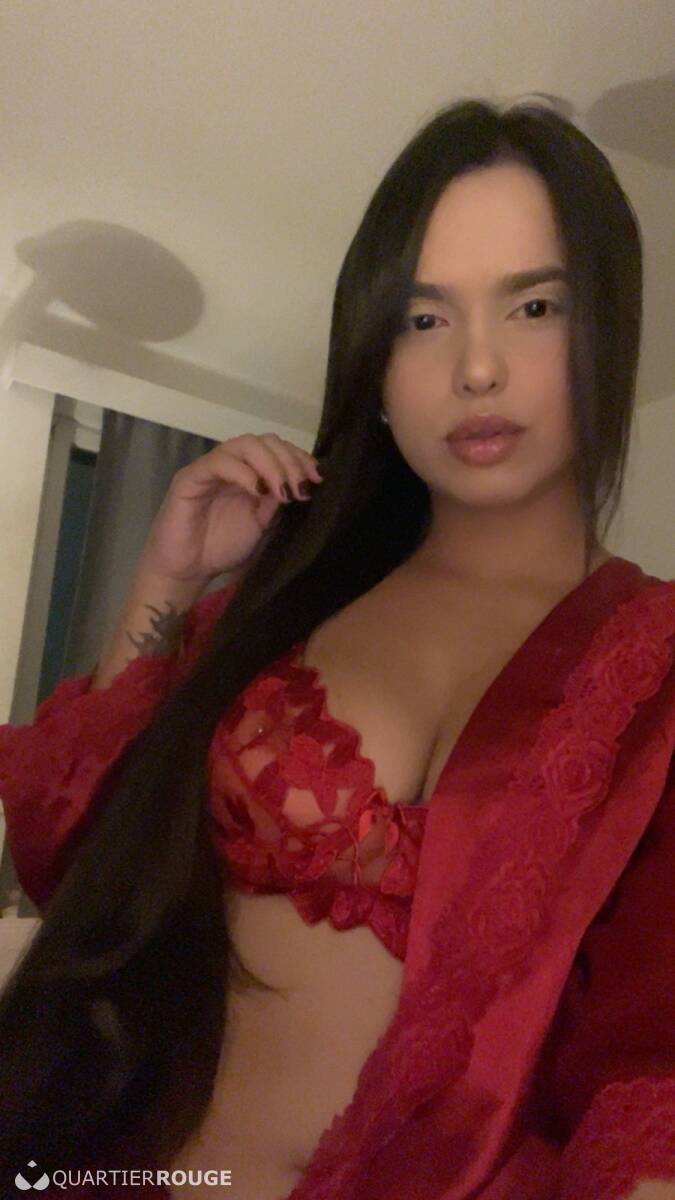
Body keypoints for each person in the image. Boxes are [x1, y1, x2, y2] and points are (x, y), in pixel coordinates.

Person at [0, 98, 673, 1200]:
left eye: (533, 306)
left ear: (607, 323)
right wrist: (168, 579)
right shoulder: (293, 600)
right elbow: (70, 848)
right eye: (424, 318)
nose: (477, 369)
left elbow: (649, 1074)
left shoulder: (657, 667)